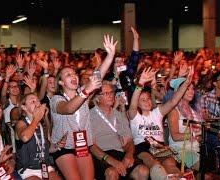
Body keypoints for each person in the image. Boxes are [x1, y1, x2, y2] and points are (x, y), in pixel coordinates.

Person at [50, 35, 117, 180]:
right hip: (63, 147)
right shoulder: (56, 99)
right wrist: (86, 91)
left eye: (74, 73)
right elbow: (68, 109)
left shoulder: (83, 93)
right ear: (61, 83)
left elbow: (99, 74)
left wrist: (110, 55)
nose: (73, 75)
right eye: (68, 75)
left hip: (82, 145)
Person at [128, 67, 194, 179]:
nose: (147, 101)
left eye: (148, 98)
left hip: (161, 147)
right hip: (143, 147)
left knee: (171, 164)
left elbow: (173, 101)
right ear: (138, 103)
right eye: (143, 100)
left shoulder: (156, 113)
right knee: (154, 163)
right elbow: (133, 105)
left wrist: (186, 83)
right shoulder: (134, 116)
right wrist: (140, 84)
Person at [90, 82, 149, 180]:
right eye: (105, 93)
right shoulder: (90, 116)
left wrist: (129, 155)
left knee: (143, 170)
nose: (110, 96)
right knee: (112, 172)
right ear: (97, 98)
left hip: (120, 153)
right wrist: (110, 160)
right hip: (102, 156)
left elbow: (129, 141)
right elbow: (92, 146)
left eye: (111, 92)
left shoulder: (119, 115)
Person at [16, 93, 61, 179]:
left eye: (38, 101)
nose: (37, 103)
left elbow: (47, 148)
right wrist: (36, 119)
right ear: (24, 107)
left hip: (45, 167)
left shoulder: (43, 125)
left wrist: (57, 146)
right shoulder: (21, 123)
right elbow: (25, 137)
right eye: (33, 101)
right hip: (28, 169)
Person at [167, 78, 201, 169]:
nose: (191, 92)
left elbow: (199, 136)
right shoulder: (174, 110)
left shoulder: (193, 111)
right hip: (180, 150)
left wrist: (202, 134)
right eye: (187, 89)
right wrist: (195, 133)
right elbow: (175, 136)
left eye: (192, 89)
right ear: (179, 91)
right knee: (203, 167)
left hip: (195, 148)